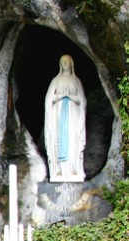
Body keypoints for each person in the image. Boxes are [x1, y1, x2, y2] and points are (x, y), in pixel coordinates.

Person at [44, 54, 86, 182]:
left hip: (72, 115)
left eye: (67, 61)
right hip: (58, 115)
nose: (65, 63)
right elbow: (48, 100)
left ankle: (74, 169)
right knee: (59, 139)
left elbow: (82, 101)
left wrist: (70, 96)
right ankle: (60, 170)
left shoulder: (76, 81)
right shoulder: (55, 81)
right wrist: (61, 96)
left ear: (71, 63)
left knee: (73, 140)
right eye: (62, 61)